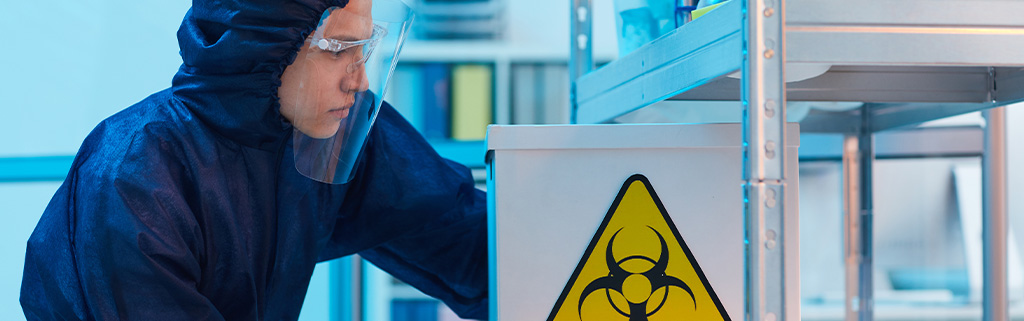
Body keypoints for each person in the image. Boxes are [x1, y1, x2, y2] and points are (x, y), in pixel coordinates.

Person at [20, 0, 488, 320]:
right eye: (339, 49)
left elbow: (466, 240)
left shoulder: (318, 132)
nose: (359, 82)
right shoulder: (134, 180)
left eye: (364, 49)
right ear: (260, 44)